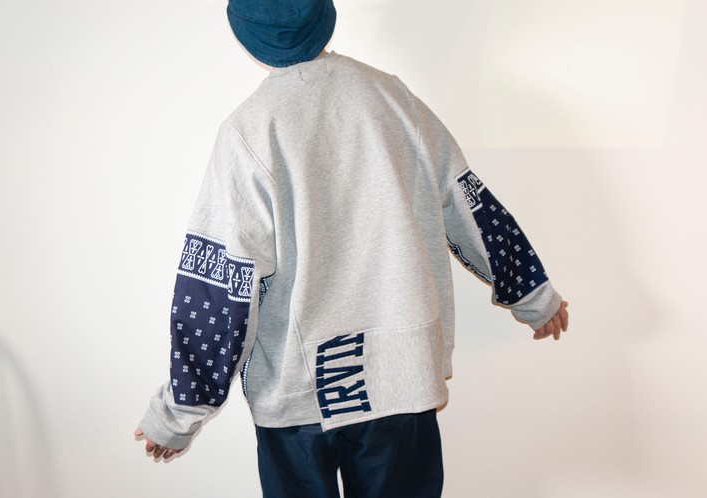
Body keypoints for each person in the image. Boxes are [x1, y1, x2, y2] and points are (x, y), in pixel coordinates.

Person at [135, 0, 570, 496]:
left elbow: (219, 286)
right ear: (326, 16)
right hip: (399, 382)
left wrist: (179, 413)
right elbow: (468, 203)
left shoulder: (250, 130)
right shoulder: (392, 98)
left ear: (246, 36)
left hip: (299, 396)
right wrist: (534, 297)